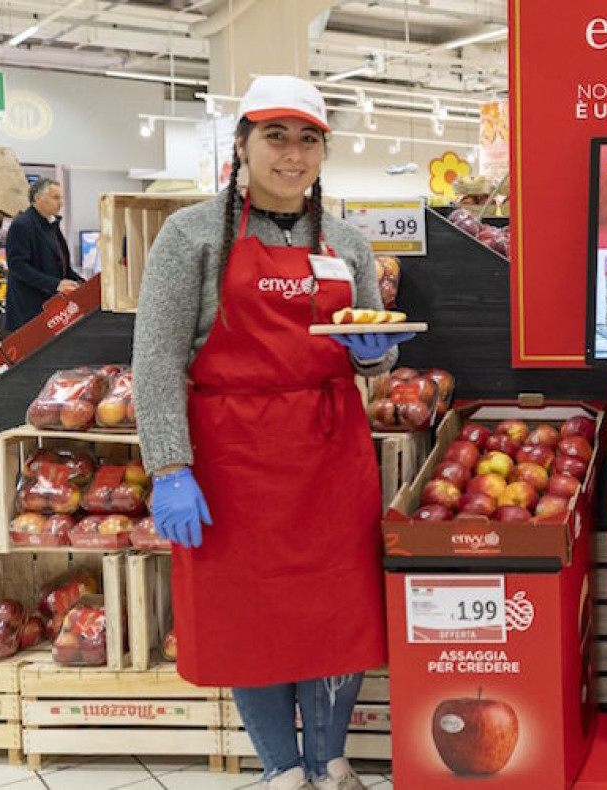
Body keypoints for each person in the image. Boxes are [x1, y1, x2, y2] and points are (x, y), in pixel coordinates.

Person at [133, 75, 413, 790]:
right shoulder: (190, 235)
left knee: (337, 607)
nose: (293, 154)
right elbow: (157, 359)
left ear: (323, 150)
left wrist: (373, 356)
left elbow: (376, 350)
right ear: (243, 144)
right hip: (232, 456)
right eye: (276, 137)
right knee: (248, 612)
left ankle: (330, 762)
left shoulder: (346, 242)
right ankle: (281, 769)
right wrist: (169, 467)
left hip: (330, 450)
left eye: (308, 139)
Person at [3, 178, 83, 331]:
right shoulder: (22, 225)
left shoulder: (52, 225)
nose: (60, 203)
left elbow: (62, 266)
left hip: (52, 310)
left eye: (61, 198)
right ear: (38, 198)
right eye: (55, 198)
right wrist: (55, 284)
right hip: (29, 311)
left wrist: (82, 283)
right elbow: (18, 266)